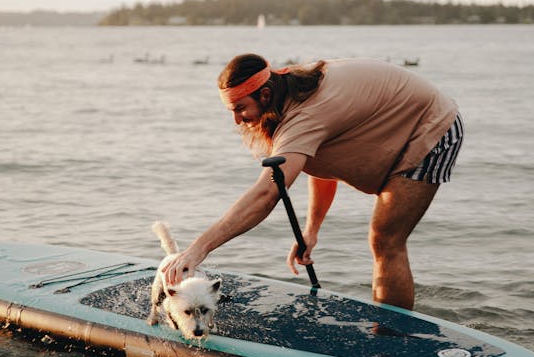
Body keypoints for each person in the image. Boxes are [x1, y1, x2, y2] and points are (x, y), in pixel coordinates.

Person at [161, 54, 463, 310]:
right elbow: (320, 160)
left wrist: (197, 251)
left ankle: (393, 340)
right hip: (404, 118)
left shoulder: (305, 115)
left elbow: (267, 194)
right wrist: (311, 231)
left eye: (240, 109)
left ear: (265, 95)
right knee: (383, 240)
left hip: (434, 127)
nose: (237, 121)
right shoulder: (290, 89)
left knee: (386, 240)